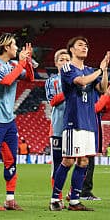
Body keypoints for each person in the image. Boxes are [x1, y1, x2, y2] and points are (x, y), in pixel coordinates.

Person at [50, 35, 110, 211]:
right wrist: (99, 70)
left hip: (89, 122)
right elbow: (81, 82)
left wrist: (104, 71)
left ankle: (75, 201)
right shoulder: (68, 68)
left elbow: (103, 88)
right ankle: (55, 198)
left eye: (86, 45)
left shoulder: (90, 70)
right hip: (73, 122)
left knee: (83, 162)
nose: (84, 47)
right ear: (72, 50)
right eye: (80, 45)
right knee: (68, 160)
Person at [0, 32, 35, 211]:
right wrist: (21, 63)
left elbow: (30, 78)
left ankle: (10, 199)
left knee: (11, 159)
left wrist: (27, 62)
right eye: (14, 45)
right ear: (6, 47)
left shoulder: (13, 64)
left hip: (9, 120)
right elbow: (7, 80)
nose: (17, 48)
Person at [45, 49, 70, 187]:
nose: (65, 63)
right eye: (61, 60)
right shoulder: (52, 81)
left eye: (67, 60)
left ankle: (73, 194)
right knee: (57, 163)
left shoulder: (78, 79)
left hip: (76, 127)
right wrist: (68, 90)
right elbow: (52, 101)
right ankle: (57, 197)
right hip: (58, 128)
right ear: (56, 63)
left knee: (81, 162)